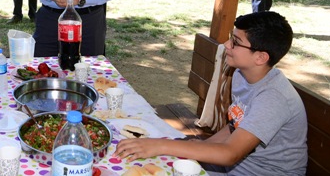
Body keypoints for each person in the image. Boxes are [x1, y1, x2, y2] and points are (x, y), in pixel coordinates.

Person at [114, 12, 307, 176]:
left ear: (260, 57)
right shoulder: (241, 73)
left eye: (236, 42)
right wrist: (193, 146)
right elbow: (235, 126)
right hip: (235, 166)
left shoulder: (273, 98)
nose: (226, 44)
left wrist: (160, 146)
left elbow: (230, 153)